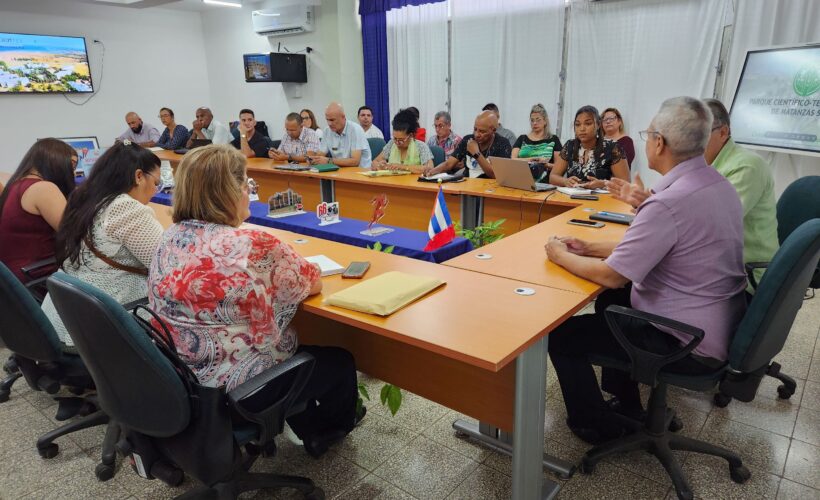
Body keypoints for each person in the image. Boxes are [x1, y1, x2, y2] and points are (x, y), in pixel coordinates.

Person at [544, 97, 747, 444]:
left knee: (563, 335)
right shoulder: (717, 185)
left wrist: (558, 254)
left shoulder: (668, 202)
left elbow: (612, 274)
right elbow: (655, 249)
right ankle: (626, 403)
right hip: (722, 320)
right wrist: (587, 246)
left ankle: (595, 424)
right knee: (612, 302)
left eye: (649, 133)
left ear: (660, 142)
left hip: (687, 340)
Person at [148, 144, 362, 458]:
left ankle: (305, 426)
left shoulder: (171, 236)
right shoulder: (250, 244)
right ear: (230, 192)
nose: (248, 192)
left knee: (292, 354)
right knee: (338, 361)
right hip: (234, 389)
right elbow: (311, 281)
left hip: (180, 378)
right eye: (246, 185)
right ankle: (327, 431)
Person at [41, 142, 163, 350]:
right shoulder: (125, 207)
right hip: (109, 318)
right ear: (139, 176)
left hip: (65, 314)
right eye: (156, 183)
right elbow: (164, 265)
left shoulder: (83, 199)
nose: (155, 190)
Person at [703, 98, 779, 290]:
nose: (691, 141)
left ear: (723, 132)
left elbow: (712, 223)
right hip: (714, 265)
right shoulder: (702, 164)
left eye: (700, 134)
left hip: (743, 278)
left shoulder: (746, 166)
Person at [0, 138, 75, 284]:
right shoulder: (44, 188)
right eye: (71, 166)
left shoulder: (15, 186)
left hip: (13, 281)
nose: (73, 172)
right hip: (37, 278)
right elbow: (75, 233)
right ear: (57, 161)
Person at [550, 105, 629, 189]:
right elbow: (553, 177)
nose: (582, 129)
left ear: (598, 124)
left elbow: (626, 184)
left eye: (588, 123)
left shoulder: (612, 147)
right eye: (577, 124)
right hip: (572, 199)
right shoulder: (570, 145)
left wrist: (603, 184)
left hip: (602, 200)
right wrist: (565, 181)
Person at [423, 111, 512, 179]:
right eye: (475, 129)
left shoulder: (503, 144)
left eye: (482, 131)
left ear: (493, 130)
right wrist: (432, 171)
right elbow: (449, 164)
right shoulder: (468, 140)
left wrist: (476, 153)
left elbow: (495, 175)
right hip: (468, 185)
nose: (477, 134)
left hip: (490, 189)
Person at [307, 102, 372, 168]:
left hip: (360, 173)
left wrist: (329, 161)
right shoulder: (327, 130)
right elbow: (320, 154)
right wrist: (314, 159)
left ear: (343, 117)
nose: (329, 123)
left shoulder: (355, 129)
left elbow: (355, 162)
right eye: (327, 120)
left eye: (332, 120)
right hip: (340, 171)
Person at [371, 109, 435, 174]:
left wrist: (402, 167)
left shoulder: (421, 146)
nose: (397, 143)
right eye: (395, 138)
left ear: (411, 135)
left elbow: (429, 168)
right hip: (392, 182)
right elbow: (374, 162)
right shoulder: (391, 143)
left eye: (401, 140)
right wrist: (380, 165)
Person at [512, 103, 563, 172]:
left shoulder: (553, 140)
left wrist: (545, 164)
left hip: (544, 181)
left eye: (538, 120)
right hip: (521, 177)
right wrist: (531, 160)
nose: (535, 123)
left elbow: (559, 167)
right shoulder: (522, 138)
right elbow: (513, 159)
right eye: (532, 120)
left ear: (545, 121)